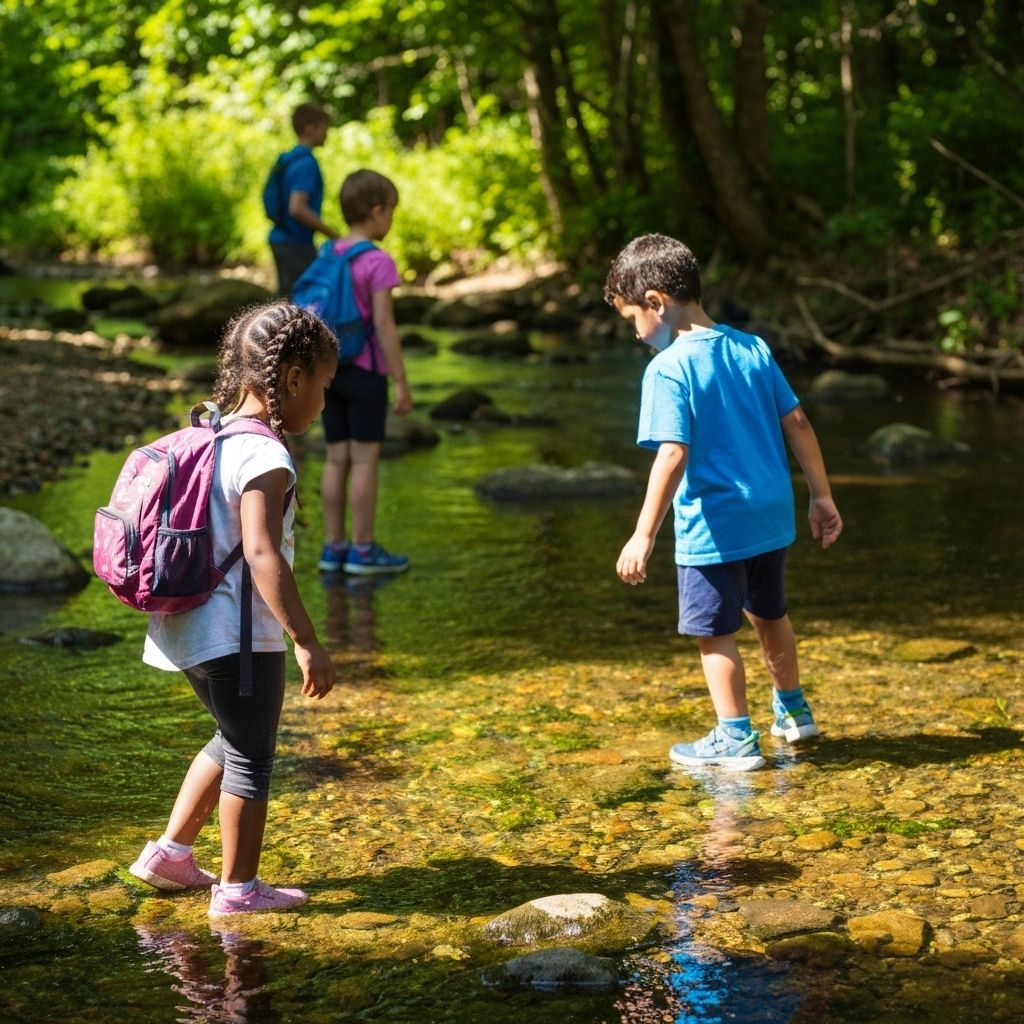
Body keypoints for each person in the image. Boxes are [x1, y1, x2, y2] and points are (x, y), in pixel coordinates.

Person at [128, 302, 339, 915]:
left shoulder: (213, 432)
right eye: (323, 386)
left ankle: (170, 854)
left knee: (232, 735)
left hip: (186, 622)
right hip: (239, 633)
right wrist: (305, 639)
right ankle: (239, 890)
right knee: (252, 754)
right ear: (293, 378)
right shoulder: (266, 456)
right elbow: (262, 552)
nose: (324, 402)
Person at [607, 234, 842, 771]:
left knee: (714, 634)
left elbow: (672, 453)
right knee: (770, 612)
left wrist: (643, 534)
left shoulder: (668, 368)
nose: (637, 334)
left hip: (713, 526)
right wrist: (821, 495)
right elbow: (799, 422)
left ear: (657, 302)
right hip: (770, 515)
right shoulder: (752, 347)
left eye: (632, 320)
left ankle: (734, 738)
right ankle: (794, 712)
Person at [317, 169, 413, 575]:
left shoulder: (328, 252)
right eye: (390, 212)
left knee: (336, 458)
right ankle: (363, 550)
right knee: (365, 460)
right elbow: (384, 324)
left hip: (327, 369)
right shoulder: (377, 260)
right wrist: (401, 381)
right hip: (364, 370)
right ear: (376, 212)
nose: (390, 221)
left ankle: (332, 548)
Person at [268, 102, 339, 297]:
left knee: (286, 295)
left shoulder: (289, 158)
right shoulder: (306, 164)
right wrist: (332, 233)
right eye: (324, 128)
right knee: (300, 299)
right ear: (310, 129)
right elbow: (297, 208)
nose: (327, 134)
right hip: (295, 242)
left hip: (282, 237)